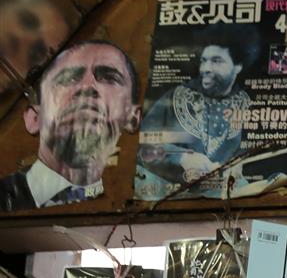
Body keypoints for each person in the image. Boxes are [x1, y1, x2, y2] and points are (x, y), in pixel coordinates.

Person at [0, 39, 140, 211]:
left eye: (109, 78)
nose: (87, 86)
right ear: (34, 119)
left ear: (132, 117)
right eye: (68, 77)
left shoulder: (135, 201)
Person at [136, 29, 253, 194]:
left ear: (238, 67)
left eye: (216, 61)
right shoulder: (176, 97)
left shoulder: (246, 104)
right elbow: (140, 143)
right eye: (204, 61)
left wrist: (236, 169)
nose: (206, 68)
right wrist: (182, 157)